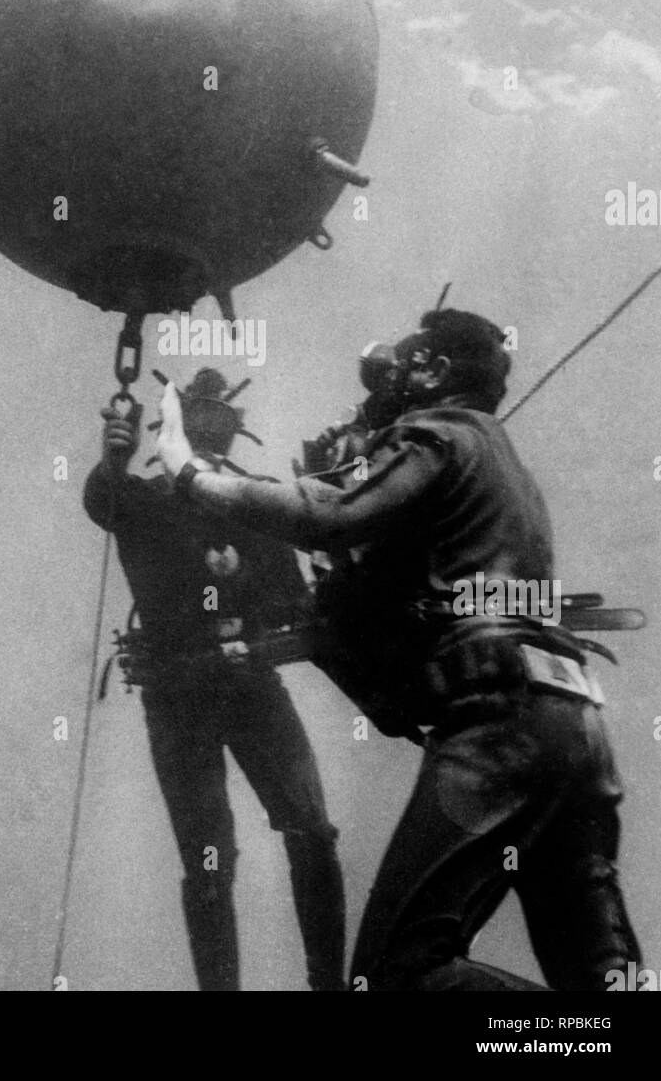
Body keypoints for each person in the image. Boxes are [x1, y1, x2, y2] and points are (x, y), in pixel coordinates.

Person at [156, 310, 641, 990]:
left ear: (436, 373)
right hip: (572, 726)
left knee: (399, 978)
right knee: (600, 981)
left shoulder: (436, 433)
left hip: (500, 724)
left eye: (404, 365)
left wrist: (188, 474)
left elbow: (324, 519)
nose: (386, 385)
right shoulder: (502, 466)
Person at [82, 368, 346, 992]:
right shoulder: (171, 502)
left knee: (271, 842)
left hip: (219, 693)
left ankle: (325, 987)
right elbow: (104, 497)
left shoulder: (243, 505)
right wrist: (111, 460)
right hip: (195, 696)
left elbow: (302, 612)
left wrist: (116, 454)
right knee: (259, 845)